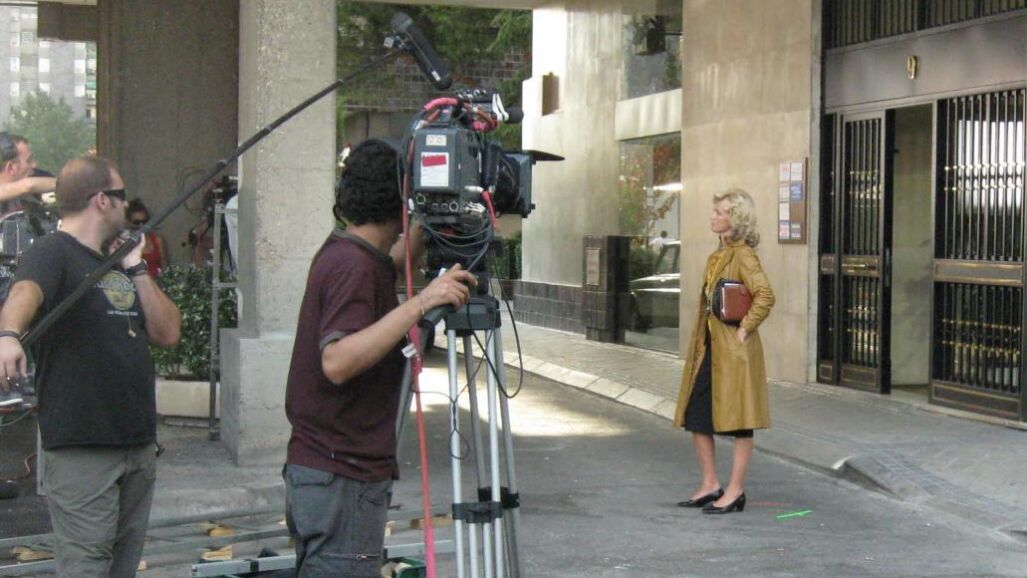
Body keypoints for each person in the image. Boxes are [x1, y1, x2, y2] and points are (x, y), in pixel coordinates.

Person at [283, 139, 476, 577]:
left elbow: (387, 265)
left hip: (330, 473)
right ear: (399, 200)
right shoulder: (352, 266)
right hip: (342, 477)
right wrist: (422, 302)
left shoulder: (352, 253)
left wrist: (424, 230)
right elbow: (337, 361)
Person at [0, 156, 182, 577]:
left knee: (122, 566)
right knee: (86, 567)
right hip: (83, 449)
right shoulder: (53, 252)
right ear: (102, 200)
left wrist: (137, 268)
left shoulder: (118, 259)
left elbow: (168, 332)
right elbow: (25, 292)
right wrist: (8, 335)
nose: (128, 205)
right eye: (122, 195)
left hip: (136, 443)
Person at [673, 188, 774, 515]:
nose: (713, 216)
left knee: (740, 420)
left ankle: (735, 490)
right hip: (710, 349)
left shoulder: (743, 255)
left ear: (736, 218)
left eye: (720, 212)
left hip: (734, 352)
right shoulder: (719, 255)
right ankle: (710, 484)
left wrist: (744, 329)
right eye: (714, 211)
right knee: (696, 414)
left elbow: (765, 295)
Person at [0, 133, 57, 213]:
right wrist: (68, 183)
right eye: (29, 160)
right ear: (11, 167)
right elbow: (27, 186)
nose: (34, 165)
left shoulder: (36, 175)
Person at [126, 198, 169, 277]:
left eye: (144, 221)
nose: (141, 225)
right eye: (137, 222)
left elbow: (165, 268)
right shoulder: (125, 244)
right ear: (129, 223)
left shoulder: (157, 240)